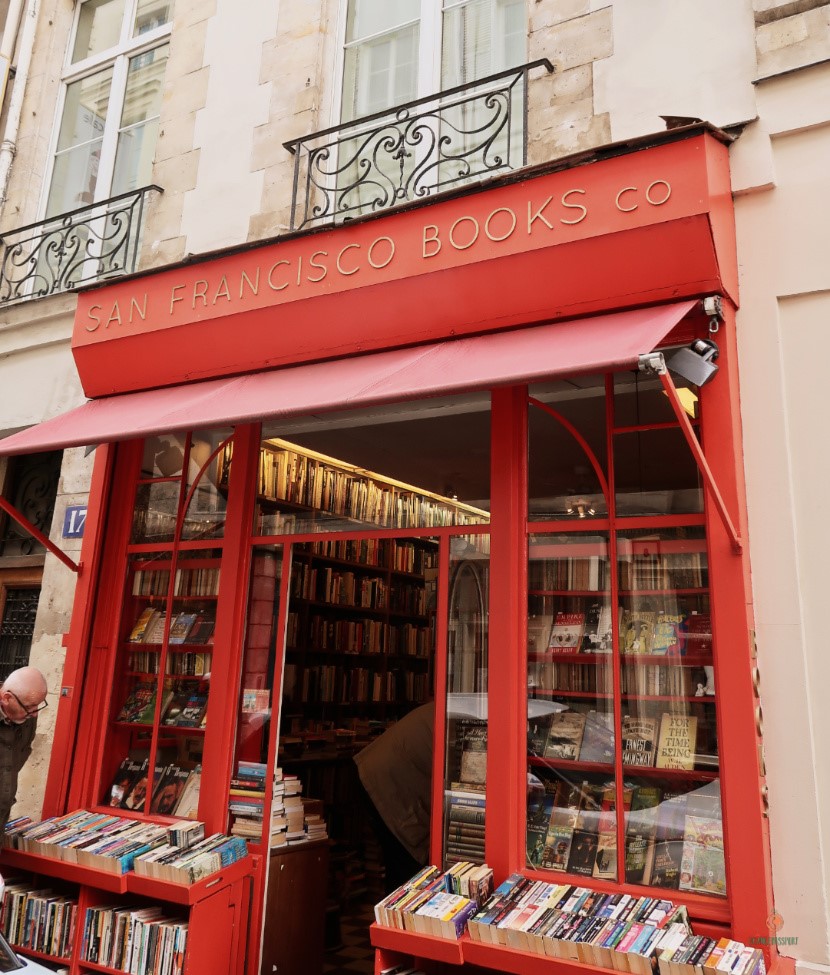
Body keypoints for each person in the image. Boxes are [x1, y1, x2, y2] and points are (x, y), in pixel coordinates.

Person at [354, 700, 433, 894]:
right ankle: (395, 920)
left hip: (381, 774)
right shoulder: (462, 716)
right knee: (407, 869)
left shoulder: (446, 709)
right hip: (386, 783)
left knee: (401, 864)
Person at [0, 666, 48, 833]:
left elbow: (22, 752)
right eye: (30, 706)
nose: (34, 713)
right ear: (7, 698)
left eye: (38, 705)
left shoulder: (27, 717)